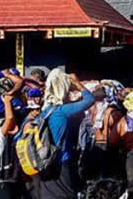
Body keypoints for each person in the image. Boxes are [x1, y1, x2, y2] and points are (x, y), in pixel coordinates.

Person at [38, 70, 95, 199]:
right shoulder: (62, 111)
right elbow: (90, 99)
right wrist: (77, 83)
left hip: (45, 161)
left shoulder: (45, 111)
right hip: (62, 161)